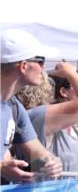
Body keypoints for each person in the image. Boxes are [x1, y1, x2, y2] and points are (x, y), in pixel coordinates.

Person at [1, 28, 63, 183]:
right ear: (23, 66)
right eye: (41, 61)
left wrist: (51, 163)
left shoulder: (14, 107)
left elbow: (38, 153)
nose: (43, 68)